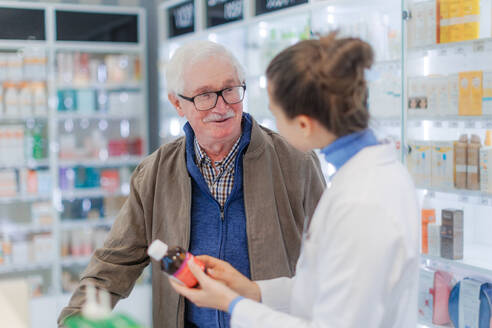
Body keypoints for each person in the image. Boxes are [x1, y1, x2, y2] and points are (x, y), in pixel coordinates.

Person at [57, 41, 325, 328]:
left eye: (230, 89)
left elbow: (331, 257)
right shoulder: (155, 173)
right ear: (177, 103)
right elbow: (113, 264)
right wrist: (75, 318)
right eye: (204, 95)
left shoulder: (295, 160)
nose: (221, 106)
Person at [170, 33, 420, 328]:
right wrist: (252, 291)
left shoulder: (363, 202)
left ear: (303, 124)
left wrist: (232, 305)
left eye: (276, 115)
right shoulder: (360, 178)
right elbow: (324, 288)